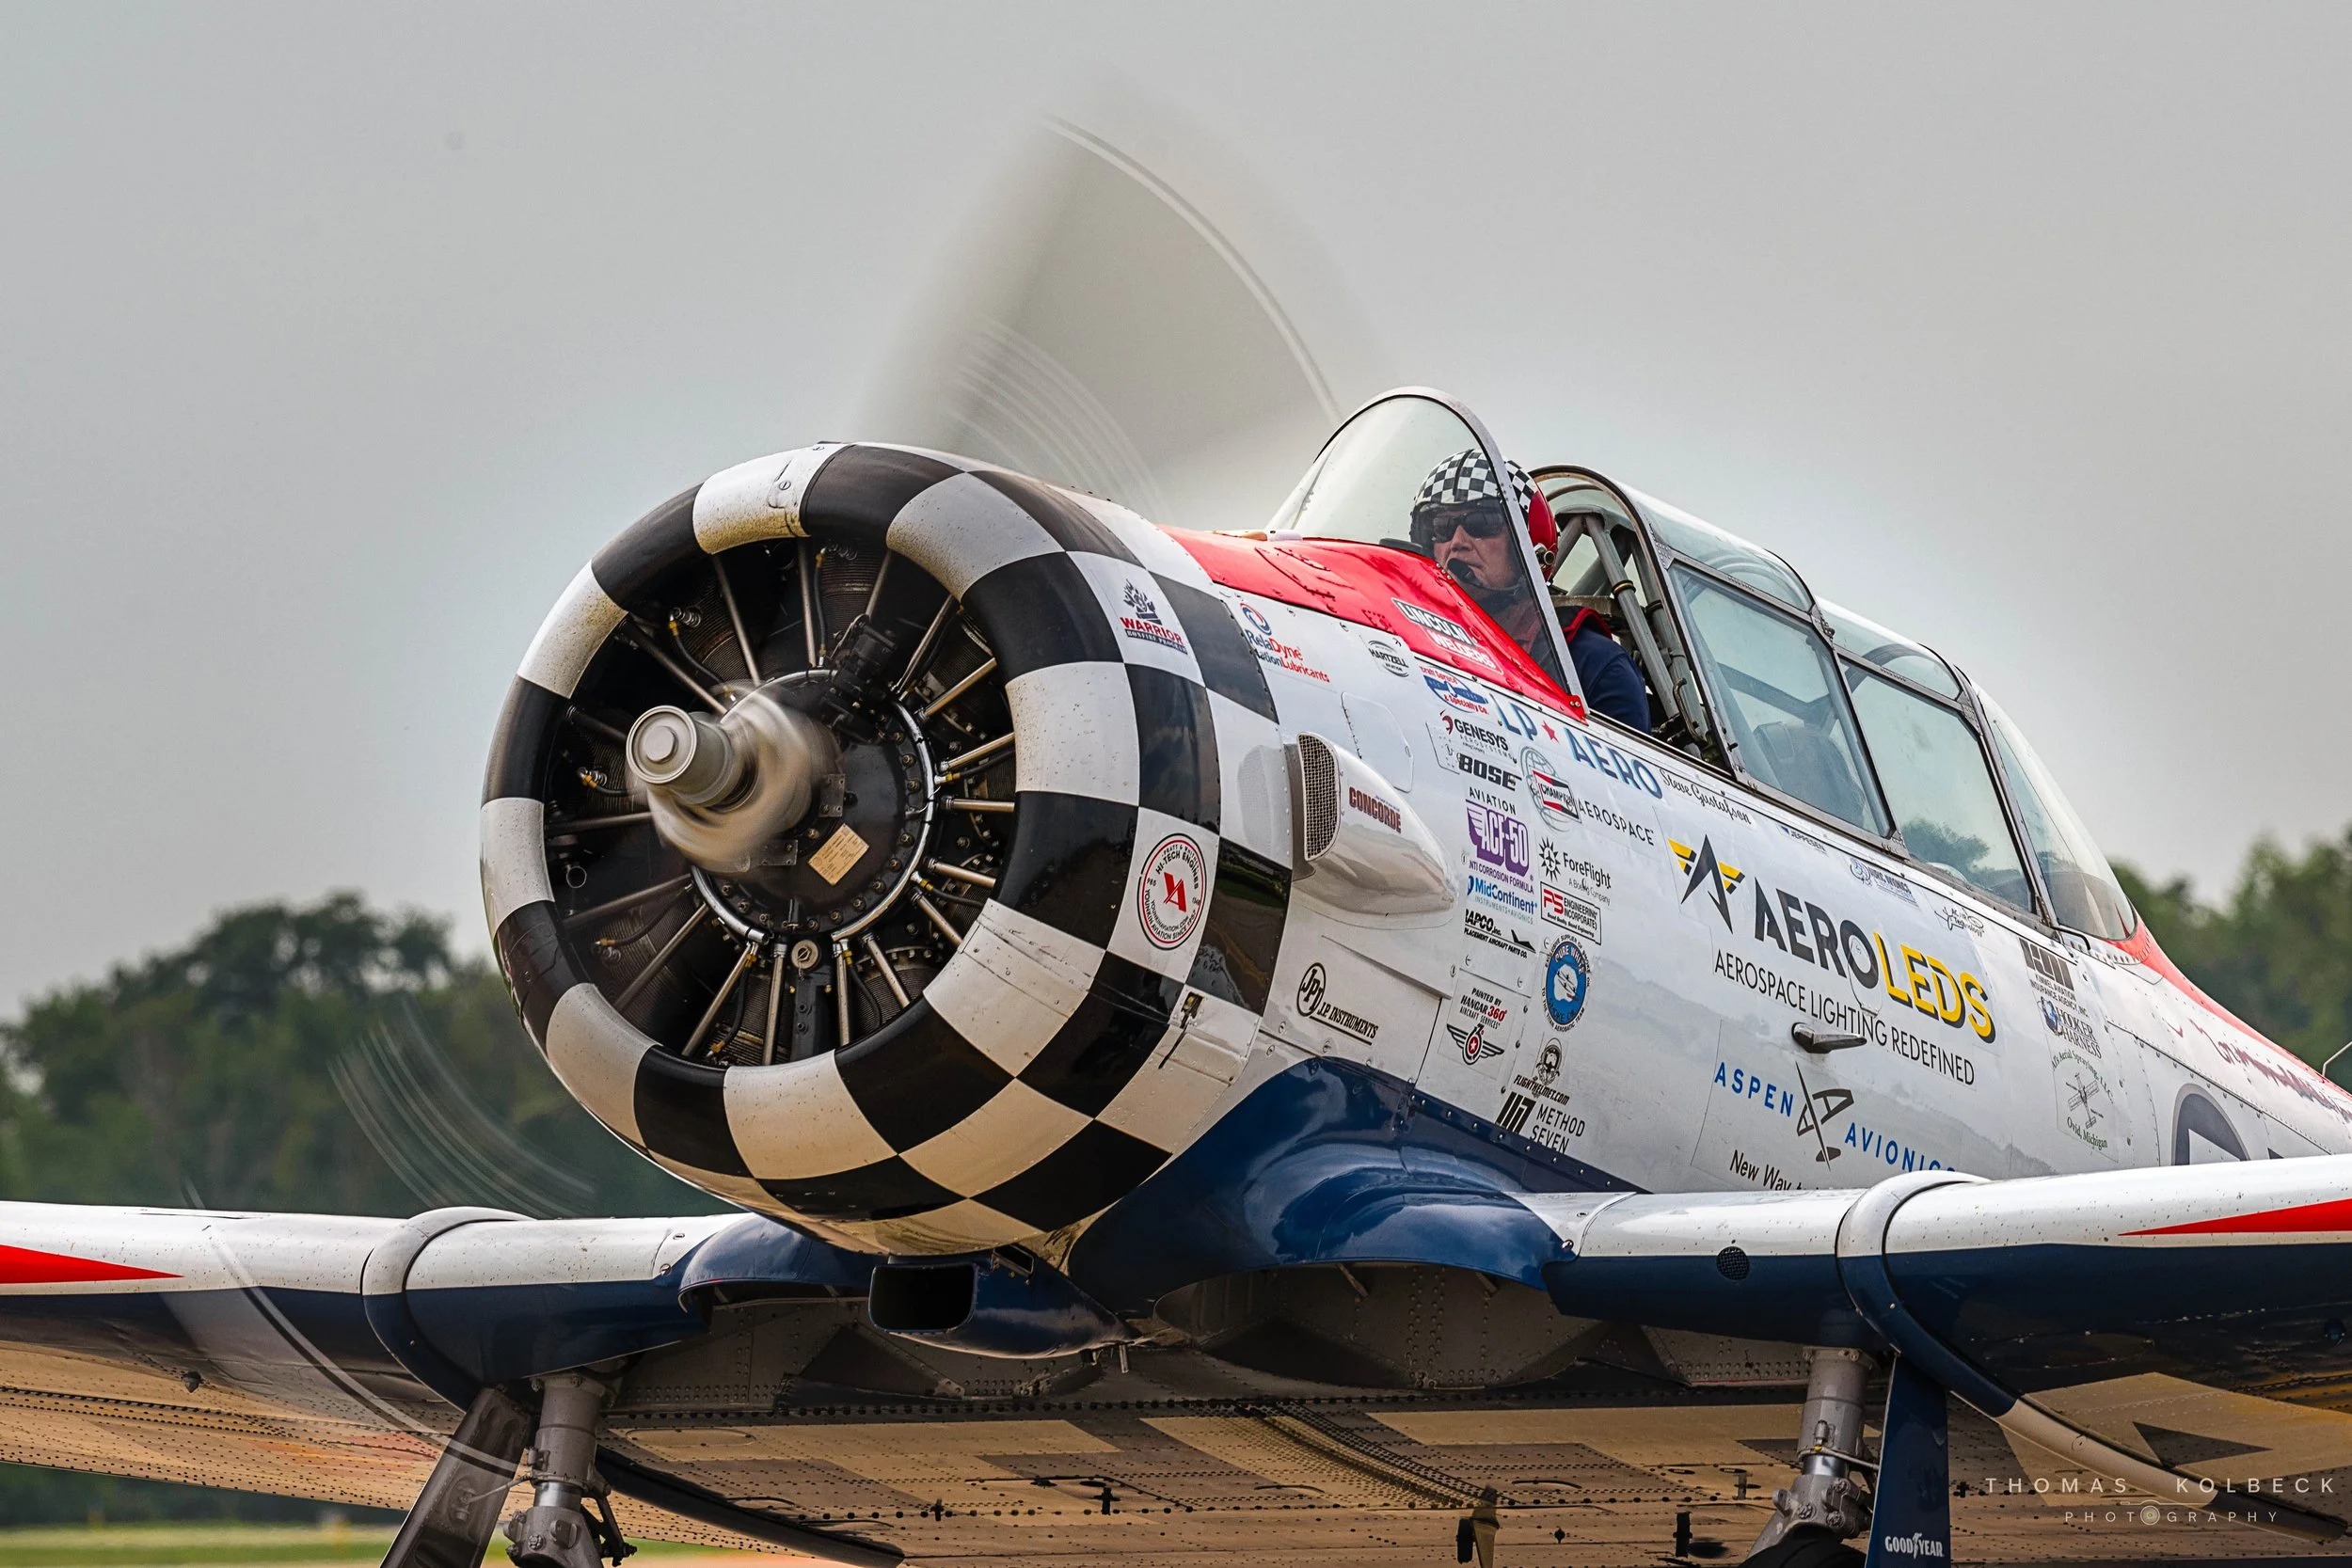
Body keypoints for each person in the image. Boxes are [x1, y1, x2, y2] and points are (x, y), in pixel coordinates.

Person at [1409, 450, 1652, 729]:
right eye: (1442, 527)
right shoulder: (1414, 639)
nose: (1458, 541)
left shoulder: (1592, 664)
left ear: (1524, 545)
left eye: (1481, 523)